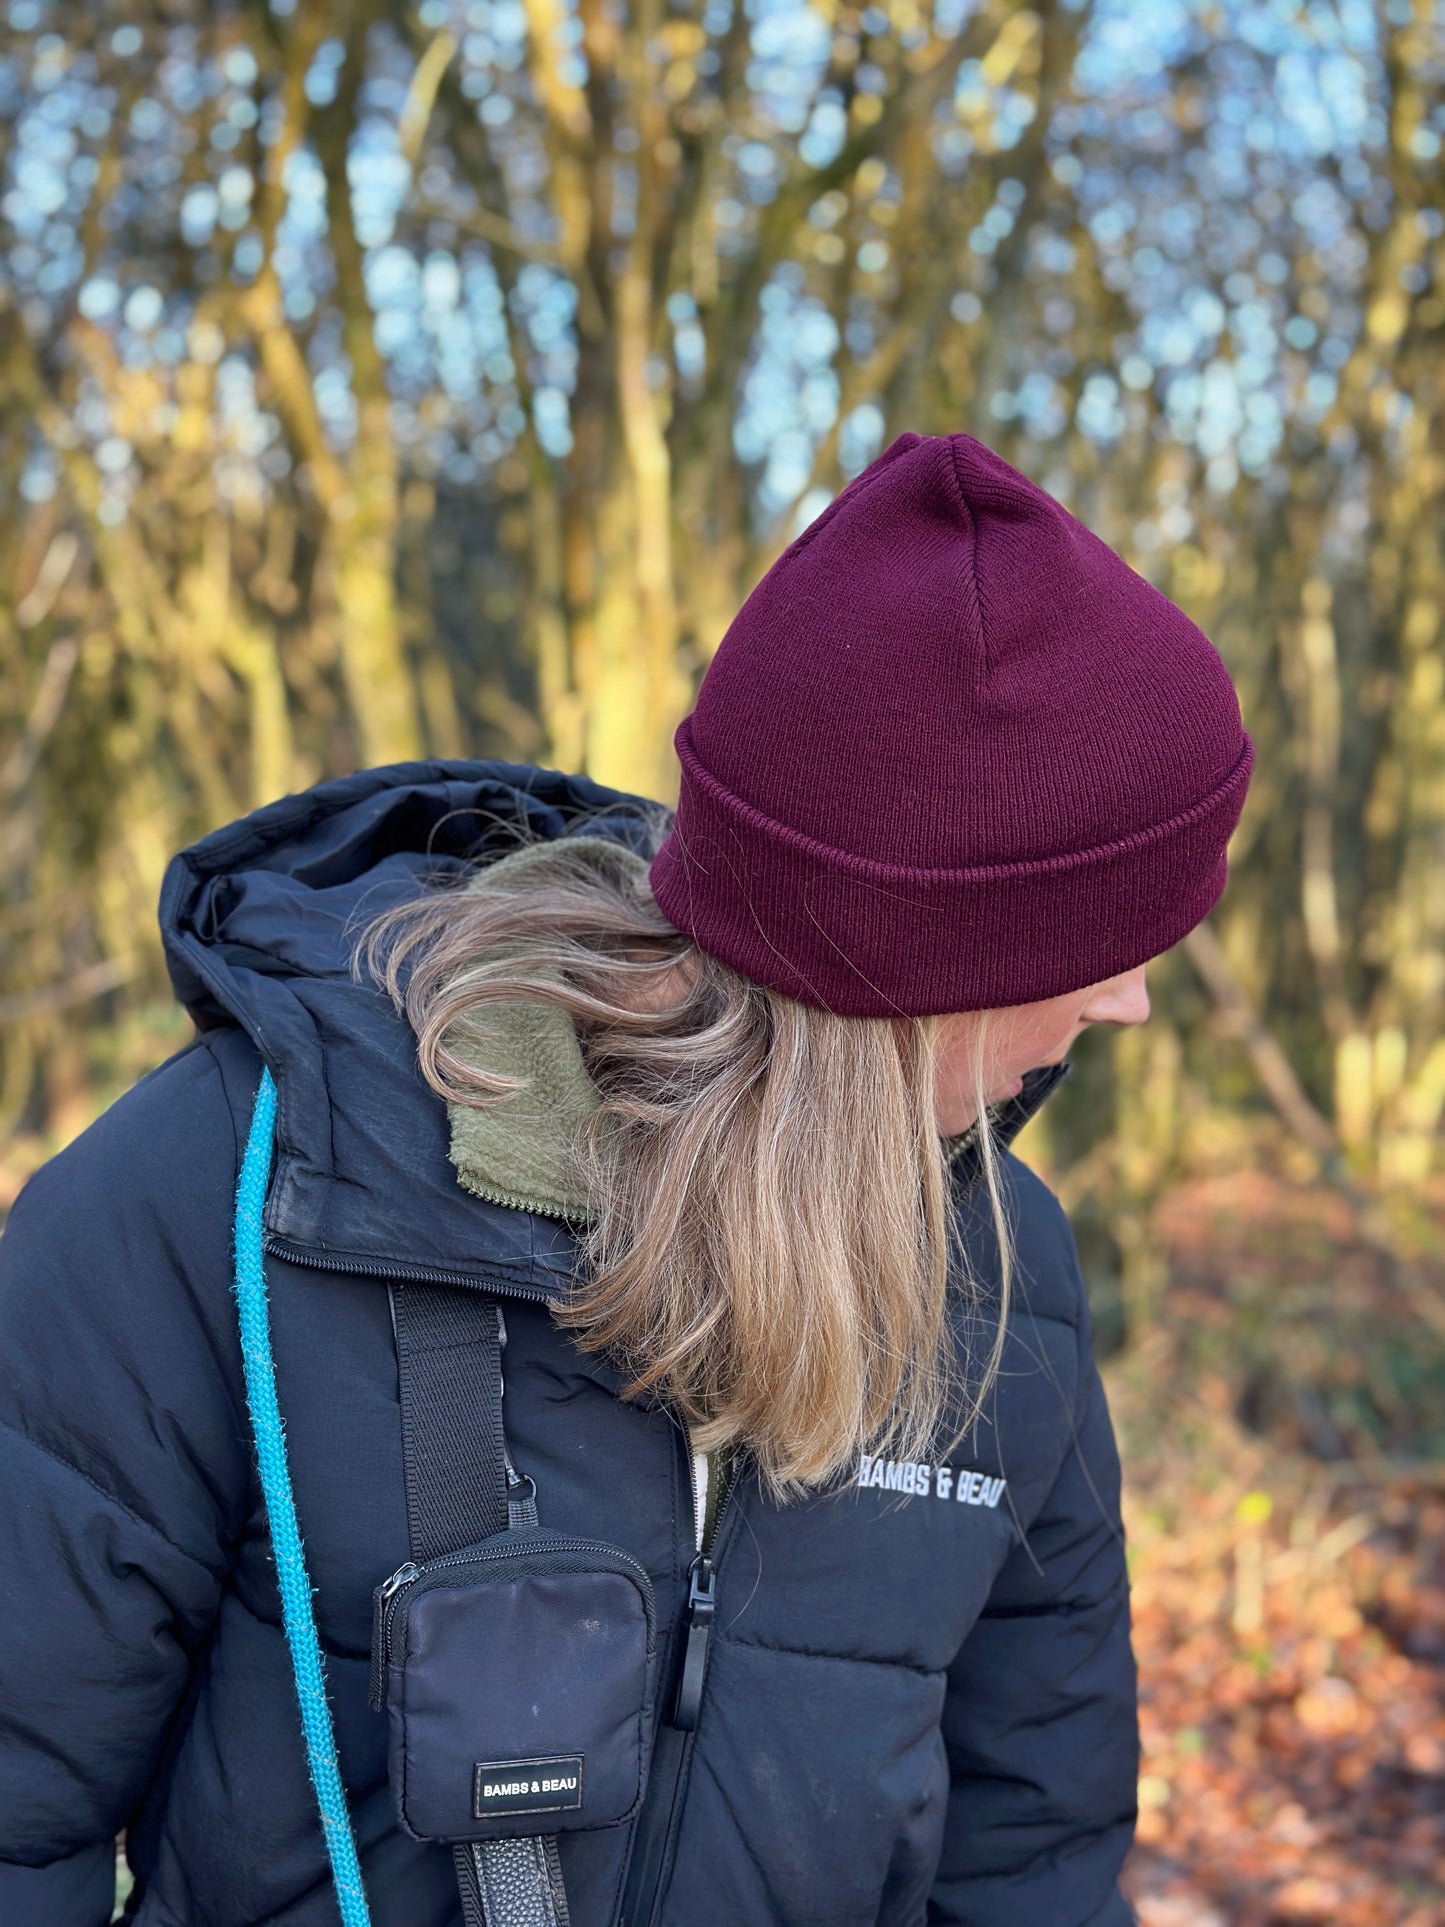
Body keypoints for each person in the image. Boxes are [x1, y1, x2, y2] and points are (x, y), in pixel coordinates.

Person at [0, 432, 1253, 1927]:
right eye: (1098, 949)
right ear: (927, 970)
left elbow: (1028, 1866)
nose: (1126, 1007)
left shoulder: (1006, 1283)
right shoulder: (237, 1185)